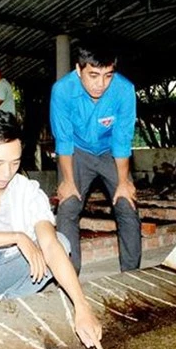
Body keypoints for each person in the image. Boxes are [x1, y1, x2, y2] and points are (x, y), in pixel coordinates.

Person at [0, 110, 105, 349]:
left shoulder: (27, 190)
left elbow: (51, 245)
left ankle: (8, 305)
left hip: (6, 271)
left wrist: (81, 306)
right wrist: (17, 236)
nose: (6, 173)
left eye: (14, 163)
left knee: (61, 243)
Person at [50, 42, 141, 274]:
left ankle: (130, 275)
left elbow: (122, 140)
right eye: (93, 75)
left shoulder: (123, 90)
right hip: (78, 152)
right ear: (79, 70)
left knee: (126, 205)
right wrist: (68, 181)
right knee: (68, 206)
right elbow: (63, 139)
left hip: (110, 151)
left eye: (108, 75)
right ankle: (69, 275)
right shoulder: (62, 91)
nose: (101, 84)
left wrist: (123, 183)